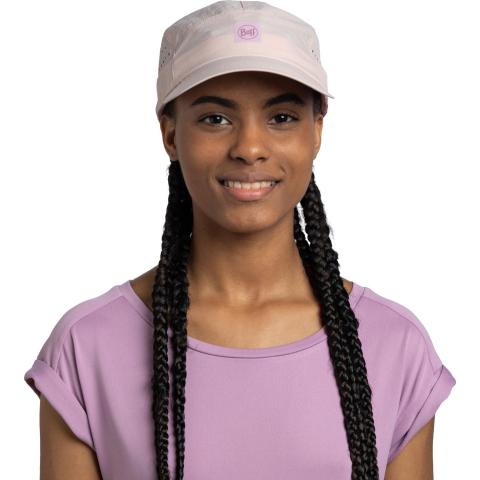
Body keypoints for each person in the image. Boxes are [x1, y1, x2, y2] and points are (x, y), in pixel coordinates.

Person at [23, 1, 456, 479]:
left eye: (282, 117)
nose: (250, 148)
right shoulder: (86, 348)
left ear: (317, 131)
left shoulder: (394, 345)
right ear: (170, 133)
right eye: (215, 118)